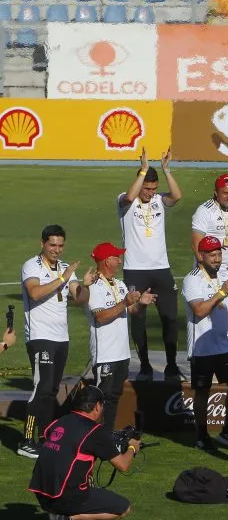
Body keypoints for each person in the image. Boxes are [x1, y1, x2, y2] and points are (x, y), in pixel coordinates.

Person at [20, 224, 97, 458]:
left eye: (60, 245)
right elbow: (34, 293)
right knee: (40, 388)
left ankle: (45, 437)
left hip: (61, 337)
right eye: (52, 245)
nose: (56, 250)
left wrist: (86, 285)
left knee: (51, 390)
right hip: (40, 336)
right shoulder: (31, 265)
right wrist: (63, 278)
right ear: (42, 243)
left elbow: (79, 297)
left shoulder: (65, 268)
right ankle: (26, 440)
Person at [28, 386, 139, 520]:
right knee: (123, 508)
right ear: (97, 406)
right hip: (63, 497)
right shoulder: (94, 431)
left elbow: (65, 448)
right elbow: (123, 465)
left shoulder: (60, 421)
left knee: (86, 476)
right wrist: (133, 447)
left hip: (42, 493)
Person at [117, 148, 182, 381]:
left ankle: (172, 365)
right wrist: (143, 170)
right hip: (135, 269)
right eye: (147, 188)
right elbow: (129, 196)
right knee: (138, 317)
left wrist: (166, 169)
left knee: (170, 317)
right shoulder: (125, 201)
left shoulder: (158, 201)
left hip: (161, 268)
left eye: (153, 189)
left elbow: (176, 196)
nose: (150, 193)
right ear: (140, 182)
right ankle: (144, 365)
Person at [182, 236, 228, 451]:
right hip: (201, 347)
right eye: (212, 255)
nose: (217, 259)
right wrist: (223, 291)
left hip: (225, 344)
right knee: (202, 392)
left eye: (219, 254)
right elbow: (199, 311)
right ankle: (202, 435)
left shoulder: (224, 274)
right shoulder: (192, 279)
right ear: (201, 256)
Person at [88, 242, 155, 429]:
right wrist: (125, 302)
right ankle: (94, 436)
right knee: (101, 399)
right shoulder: (94, 286)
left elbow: (131, 309)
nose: (120, 260)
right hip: (105, 355)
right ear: (106, 260)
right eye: (116, 257)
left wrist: (141, 303)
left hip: (122, 353)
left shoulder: (119, 284)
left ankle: (106, 435)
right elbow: (101, 317)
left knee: (114, 396)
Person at [190, 174, 228, 278]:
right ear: (216, 193)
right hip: (210, 270)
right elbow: (195, 245)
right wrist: (208, 272)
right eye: (225, 193)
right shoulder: (205, 211)